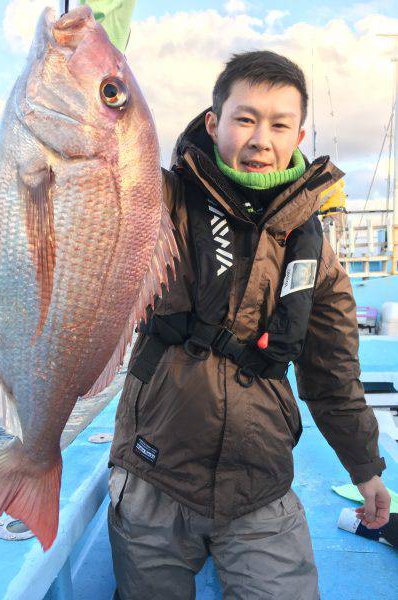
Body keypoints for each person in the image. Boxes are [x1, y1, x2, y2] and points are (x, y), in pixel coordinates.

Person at [107, 50, 391, 600]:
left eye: (279, 123)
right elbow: (102, 165)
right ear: (214, 124)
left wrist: (366, 468)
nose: (262, 138)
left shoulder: (317, 255)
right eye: (245, 118)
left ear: (298, 134)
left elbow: (333, 376)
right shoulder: (160, 202)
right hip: (153, 473)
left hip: (258, 482)